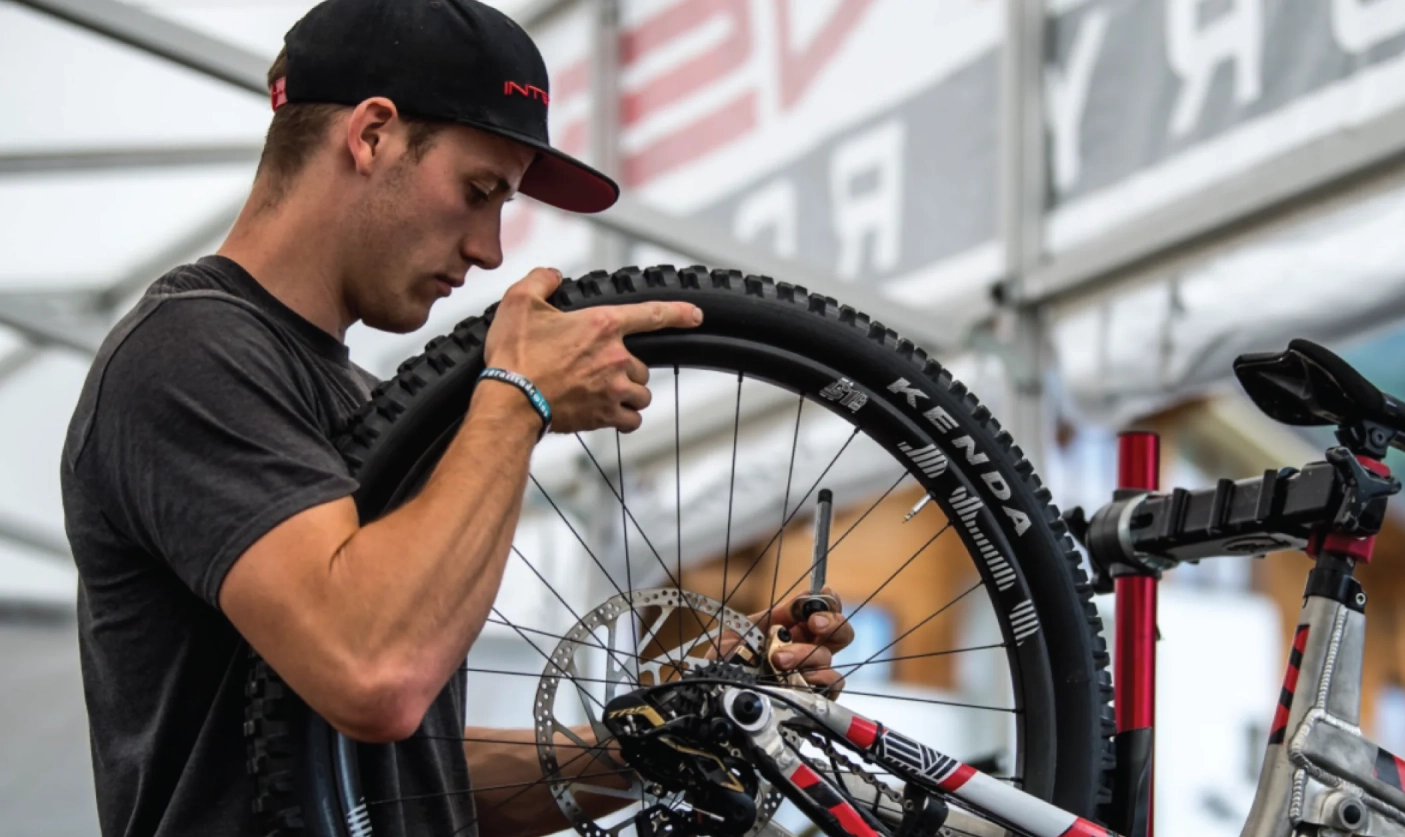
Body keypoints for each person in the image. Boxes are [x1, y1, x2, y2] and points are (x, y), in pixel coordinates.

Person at [57, 1, 854, 835]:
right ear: (370, 136)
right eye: (479, 192)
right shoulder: (186, 353)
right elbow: (377, 674)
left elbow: (409, 777)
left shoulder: (360, 400)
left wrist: (670, 731)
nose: (491, 249)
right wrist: (517, 395)